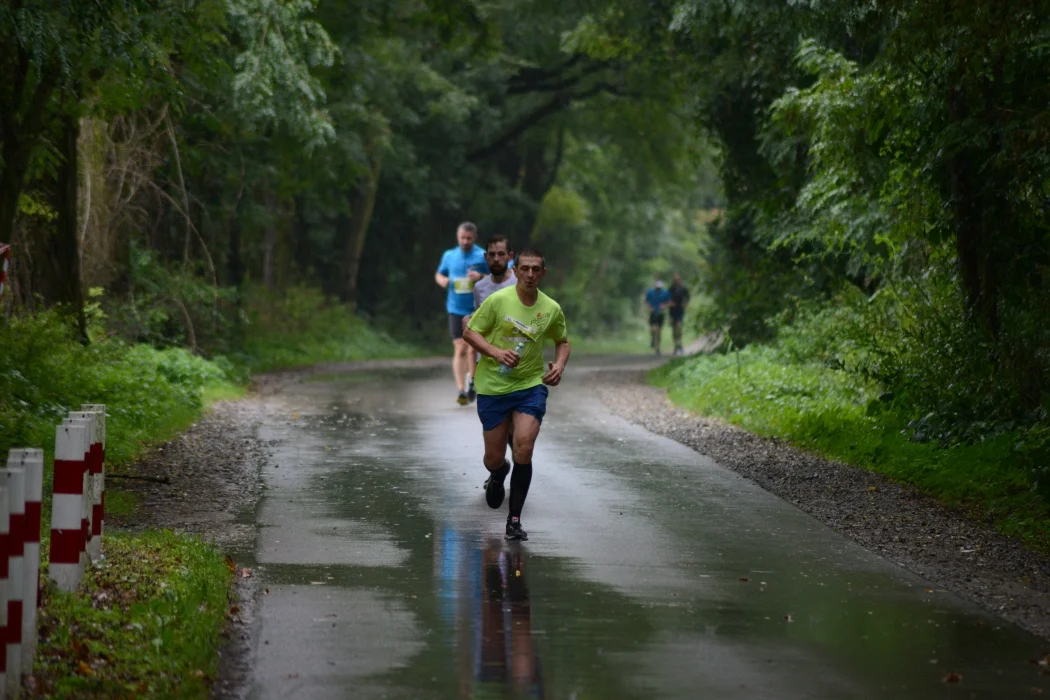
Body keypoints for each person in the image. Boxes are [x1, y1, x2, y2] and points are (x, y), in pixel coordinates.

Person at [463, 248, 570, 541]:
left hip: (530, 385)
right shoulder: (498, 301)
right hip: (493, 386)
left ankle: (514, 520)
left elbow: (562, 341)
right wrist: (496, 353)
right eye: (525, 268)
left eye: (536, 269)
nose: (531, 274)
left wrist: (559, 366)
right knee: (493, 458)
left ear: (543, 273)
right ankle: (498, 474)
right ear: (516, 270)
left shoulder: (551, 308)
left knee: (524, 444)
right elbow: (470, 333)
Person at [436, 222, 489, 405]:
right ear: (457, 237)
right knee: (459, 347)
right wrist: (442, 280)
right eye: (462, 238)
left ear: (474, 238)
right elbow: (439, 274)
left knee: (472, 348)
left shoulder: (483, 255)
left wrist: (480, 277)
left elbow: (498, 277)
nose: (465, 241)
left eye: (469, 238)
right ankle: (461, 391)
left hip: (476, 308)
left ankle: (472, 381)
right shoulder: (449, 255)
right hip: (455, 308)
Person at [644, 278, 672, 355]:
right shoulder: (650, 292)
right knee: (653, 329)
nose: (658, 288)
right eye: (657, 287)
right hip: (653, 313)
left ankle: (658, 347)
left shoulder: (665, 293)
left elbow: (669, 302)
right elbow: (646, 301)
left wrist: (664, 306)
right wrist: (650, 307)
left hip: (661, 314)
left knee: (658, 331)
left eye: (659, 287)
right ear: (655, 286)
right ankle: (653, 340)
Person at [668, 272, 691, 356]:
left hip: (680, 310)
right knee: (674, 329)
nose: (676, 281)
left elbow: (688, 297)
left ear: (680, 280)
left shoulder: (683, 288)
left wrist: (685, 303)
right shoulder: (671, 288)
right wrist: (669, 303)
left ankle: (680, 343)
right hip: (672, 310)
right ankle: (676, 345)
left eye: (677, 279)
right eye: (675, 280)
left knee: (679, 327)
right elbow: (667, 298)